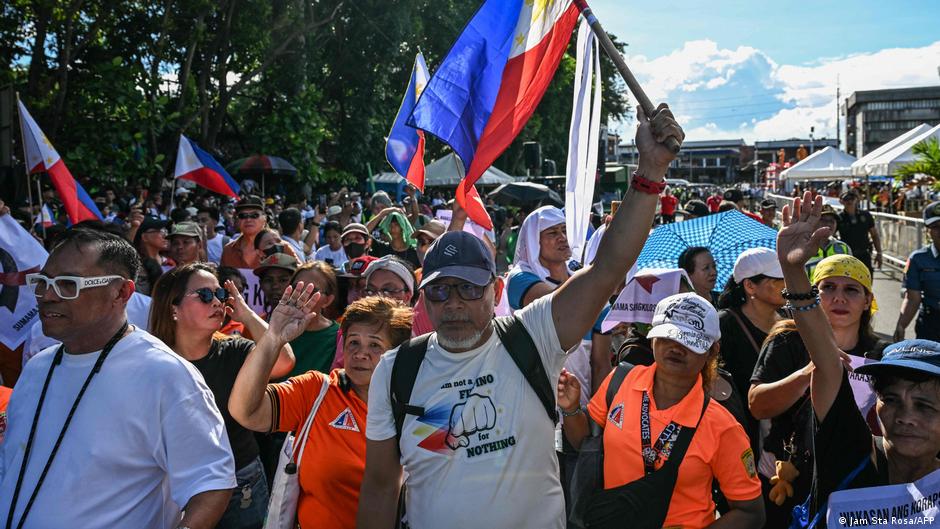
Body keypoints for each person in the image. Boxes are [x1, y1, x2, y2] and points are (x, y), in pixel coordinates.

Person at [356, 103, 685, 529]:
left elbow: (606, 270)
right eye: (439, 290)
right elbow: (382, 484)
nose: (453, 303)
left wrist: (650, 172)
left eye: (469, 288)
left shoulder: (532, 335)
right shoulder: (396, 369)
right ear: (424, 299)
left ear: (495, 292)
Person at [0, 228, 235, 528]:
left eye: (67, 285)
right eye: (42, 283)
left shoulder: (165, 375)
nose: (47, 296)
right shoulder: (37, 368)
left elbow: (212, 484)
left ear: (121, 293)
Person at [774, 191, 940, 528]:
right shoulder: (850, 453)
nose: (905, 418)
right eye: (890, 399)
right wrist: (793, 271)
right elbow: (826, 360)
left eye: (925, 405)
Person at [559, 292, 765, 529]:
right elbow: (582, 443)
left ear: (712, 351)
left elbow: (751, 513)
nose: (676, 348)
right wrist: (571, 408)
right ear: (652, 338)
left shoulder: (723, 426)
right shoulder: (621, 380)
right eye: (668, 337)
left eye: (689, 341)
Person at [230, 292, 413, 529]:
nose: (360, 354)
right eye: (353, 342)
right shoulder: (316, 391)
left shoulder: (416, 406)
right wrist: (273, 337)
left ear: (396, 354)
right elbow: (245, 411)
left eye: (375, 345)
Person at [150, 263, 296, 529]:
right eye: (205, 296)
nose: (217, 302)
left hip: (240, 481)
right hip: (173, 482)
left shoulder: (234, 349)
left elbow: (284, 361)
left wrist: (246, 312)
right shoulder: (152, 359)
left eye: (220, 295)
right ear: (173, 308)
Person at [748, 254, 885, 528]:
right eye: (828, 287)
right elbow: (757, 405)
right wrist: (813, 370)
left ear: (868, 300)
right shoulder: (786, 340)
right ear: (814, 295)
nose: (839, 298)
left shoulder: (879, 355)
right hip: (786, 480)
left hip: (852, 481)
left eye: (851, 289)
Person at [717, 247, 785, 449]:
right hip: (742, 436)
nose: (785, 284)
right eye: (777, 280)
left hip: (786, 436)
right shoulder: (725, 325)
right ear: (749, 286)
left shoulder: (792, 319)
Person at [506, 205, 572, 310]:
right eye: (552, 233)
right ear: (534, 242)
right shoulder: (519, 278)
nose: (563, 238)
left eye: (565, 230)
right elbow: (558, 307)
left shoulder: (574, 272)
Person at [284, 261, 340, 377]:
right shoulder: (273, 328)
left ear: (328, 300)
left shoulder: (339, 337)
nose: (301, 295)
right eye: (297, 288)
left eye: (312, 291)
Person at [895, 200, 940, 342]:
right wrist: (901, 325)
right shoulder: (918, 259)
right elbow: (913, 298)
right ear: (928, 230)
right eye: (936, 226)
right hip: (931, 323)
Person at [836, 190, 882, 272]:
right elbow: (831, 235)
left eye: (852, 198)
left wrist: (879, 253)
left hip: (864, 254)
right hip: (847, 255)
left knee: (867, 280)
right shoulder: (838, 218)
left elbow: (874, 235)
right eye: (846, 199)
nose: (849, 201)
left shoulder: (866, 215)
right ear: (841, 201)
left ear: (857, 199)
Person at [222, 196, 268, 269]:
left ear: (264, 218)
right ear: (237, 220)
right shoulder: (228, 250)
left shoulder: (281, 248)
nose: (248, 219)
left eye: (254, 215)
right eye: (242, 216)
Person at [254, 253, 299, 318]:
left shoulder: (309, 322)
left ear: (296, 283)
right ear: (261, 284)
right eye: (268, 280)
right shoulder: (254, 324)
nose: (275, 286)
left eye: (283, 280)